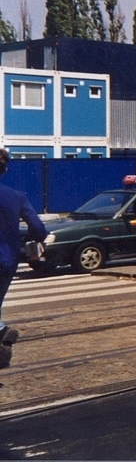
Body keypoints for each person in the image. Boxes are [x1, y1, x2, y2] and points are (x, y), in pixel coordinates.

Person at [0, 147, 47, 369]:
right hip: (7, 261)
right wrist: (38, 239)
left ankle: (1, 331)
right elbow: (37, 227)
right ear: (5, 168)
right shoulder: (17, 196)